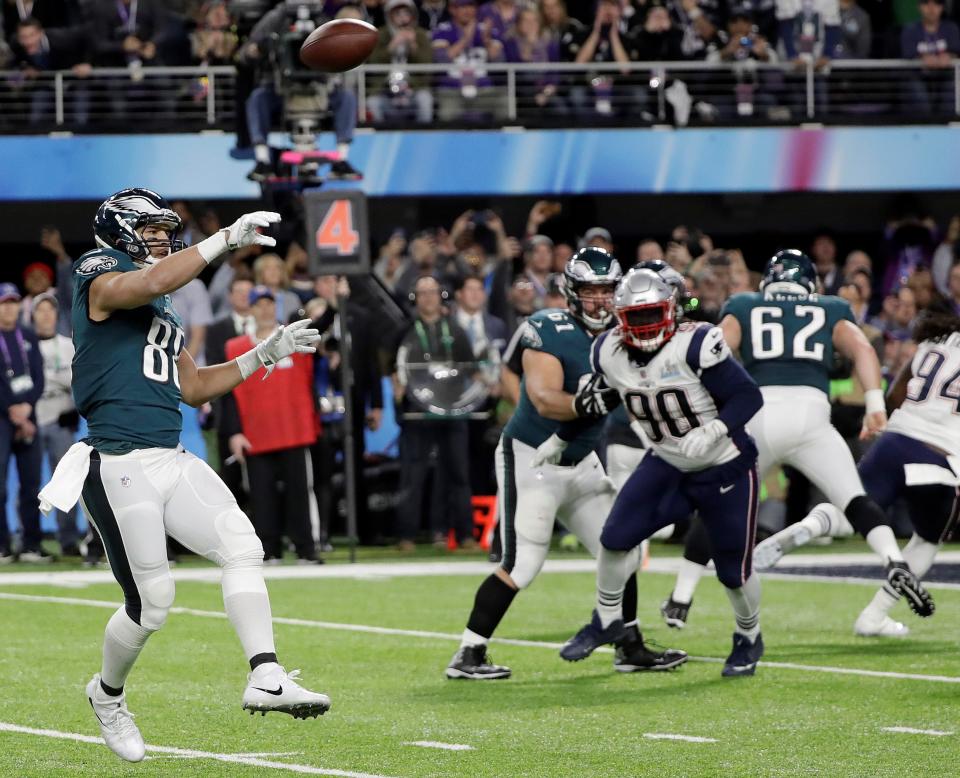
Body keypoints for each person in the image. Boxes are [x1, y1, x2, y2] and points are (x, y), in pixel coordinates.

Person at [37, 188, 328, 764]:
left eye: (164, 229)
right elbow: (146, 284)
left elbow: (190, 387)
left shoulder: (160, 298)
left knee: (243, 546)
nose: (160, 238)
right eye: (149, 229)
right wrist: (221, 241)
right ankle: (107, 695)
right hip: (117, 460)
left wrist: (263, 354)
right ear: (119, 231)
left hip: (168, 455)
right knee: (154, 601)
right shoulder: (99, 270)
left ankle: (266, 675)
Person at [446, 249, 686, 680]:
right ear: (572, 294)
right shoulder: (548, 327)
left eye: (606, 291)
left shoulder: (624, 332)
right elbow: (542, 397)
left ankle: (628, 646)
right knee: (522, 565)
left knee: (623, 548)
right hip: (534, 458)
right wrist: (583, 402)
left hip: (582, 462)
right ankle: (469, 653)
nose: (599, 300)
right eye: (590, 291)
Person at [663, 250, 934, 629]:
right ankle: (893, 560)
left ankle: (681, 598)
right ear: (810, 283)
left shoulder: (744, 304)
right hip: (812, 416)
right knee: (855, 499)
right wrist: (875, 402)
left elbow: (713, 353)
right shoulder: (831, 307)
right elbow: (861, 348)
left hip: (760, 414)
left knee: (716, 502)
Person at [552, 267, 765, 677]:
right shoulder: (606, 351)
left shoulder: (697, 344)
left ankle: (748, 636)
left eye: (653, 314)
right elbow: (603, 399)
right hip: (667, 460)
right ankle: (607, 619)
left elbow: (746, 396)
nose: (645, 325)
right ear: (620, 316)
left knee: (732, 573)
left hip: (724, 464)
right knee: (615, 538)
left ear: (670, 310)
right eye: (636, 317)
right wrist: (561, 439)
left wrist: (715, 428)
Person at [755, 306, 958, 637]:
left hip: (896, 441)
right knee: (926, 541)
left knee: (852, 507)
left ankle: (810, 525)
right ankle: (874, 616)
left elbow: (895, 396)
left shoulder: (933, 344)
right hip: (942, 457)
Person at [223, 286, 320, 564]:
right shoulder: (237, 346)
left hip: (293, 430)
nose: (265, 309)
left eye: (269, 303)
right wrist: (235, 432)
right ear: (250, 309)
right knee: (261, 497)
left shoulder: (293, 340)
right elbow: (229, 392)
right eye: (259, 304)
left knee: (300, 493)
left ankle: (306, 549)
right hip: (256, 433)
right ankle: (269, 550)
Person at [394, 276, 476, 550]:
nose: (428, 297)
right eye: (422, 293)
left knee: (459, 474)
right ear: (415, 298)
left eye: (432, 292)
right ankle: (406, 535)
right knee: (412, 475)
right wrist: (396, 385)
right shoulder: (405, 330)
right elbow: (392, 365)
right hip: (418, 413)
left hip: (453, 411)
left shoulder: (456, 329)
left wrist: (484, 384)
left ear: (441, 296)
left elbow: (471, 366)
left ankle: (464, 535)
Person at [0, 282, 46, 563]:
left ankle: (31, 544)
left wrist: (27, 407)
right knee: (0, 485)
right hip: (2, 418)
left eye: (14, 302)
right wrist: (12, 411)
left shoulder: (28, 335)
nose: (10, 307)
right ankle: (2, 545)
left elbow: (38, 377)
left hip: (29, 415)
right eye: (5, 302)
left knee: (32, 484)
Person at [32, 292, 80, 556]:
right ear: (33, 315)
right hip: (33, 417)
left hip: (62, 417)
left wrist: (75, 409)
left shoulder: (68, 345)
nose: (46, 315)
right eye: (41, 310)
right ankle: (31, 541)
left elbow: (80, 381)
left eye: (51, 310)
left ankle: (69, 540)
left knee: (65, 482)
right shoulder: (26, 343)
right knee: (29, 483)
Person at [367, 0, 434, 124]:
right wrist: (392, 46)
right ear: (389, 15)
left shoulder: (420, 34)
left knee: (425, 99)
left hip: (413, 88)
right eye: (398, 14)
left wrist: (413, 46)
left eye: (406, 13)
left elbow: (426, 63)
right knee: (372, 102)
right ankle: (379, 137)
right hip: (384, 89)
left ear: (412, 15)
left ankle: (424, 136)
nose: (403, 18)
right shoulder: (379, 34)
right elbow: (372, 61)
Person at [900, 0, 960, 116]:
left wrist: (949, 56)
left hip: (945, 77)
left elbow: (955, 51)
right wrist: (922, 58)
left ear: (942, 7)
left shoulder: (951, 28)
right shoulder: (910, 30)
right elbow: (908, 53)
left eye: (937, 4)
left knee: (952, 91)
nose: (931, 8)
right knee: (918, 95)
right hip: (919, 77)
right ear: (919, 7)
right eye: (926, 3)